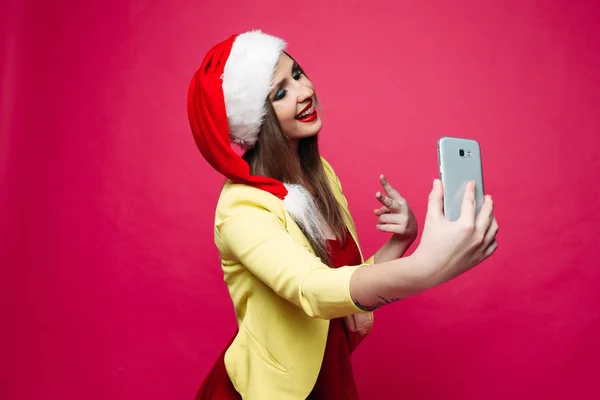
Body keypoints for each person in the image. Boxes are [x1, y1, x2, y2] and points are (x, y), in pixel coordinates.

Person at [187, 30, 498, 400]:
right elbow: (312, 289)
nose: (304, 92)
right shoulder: (241, 207)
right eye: (280, 93)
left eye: (298, 74)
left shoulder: (322, 175)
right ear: (257, 121)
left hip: (331, 379)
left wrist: (402, 242)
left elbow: (346, 287)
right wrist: (426, 268)